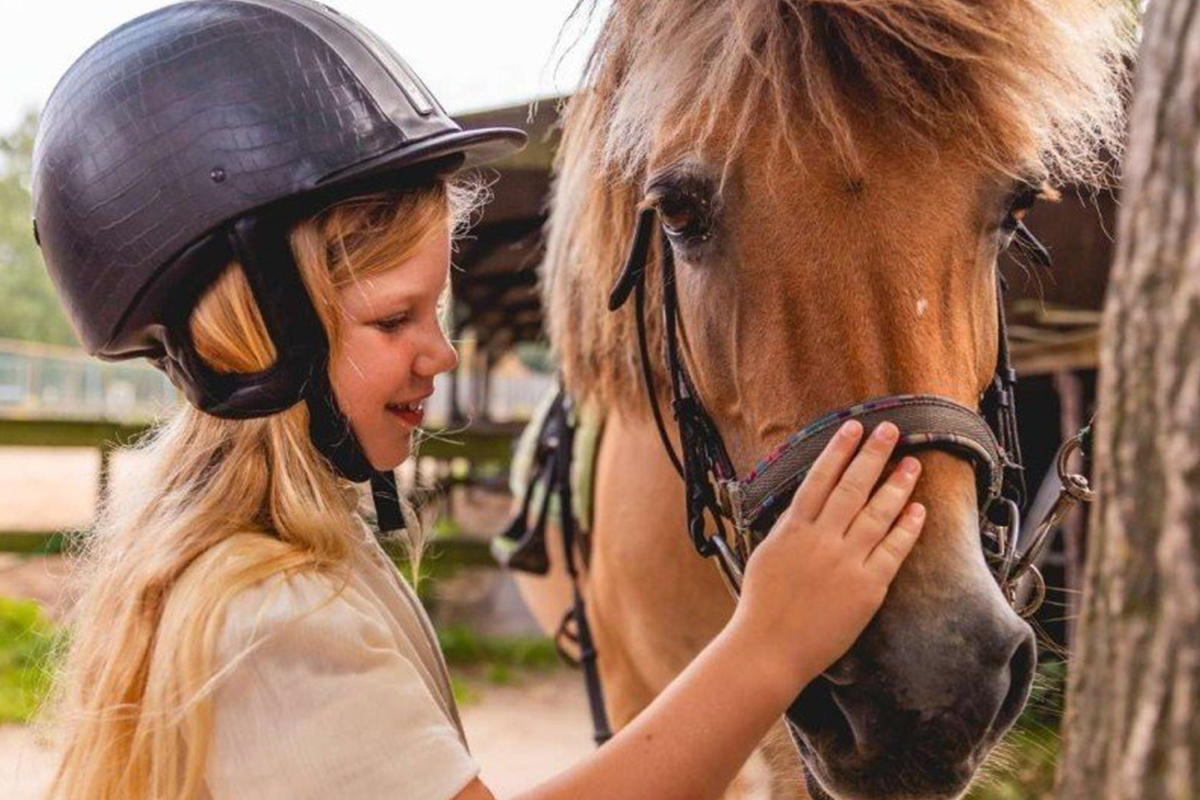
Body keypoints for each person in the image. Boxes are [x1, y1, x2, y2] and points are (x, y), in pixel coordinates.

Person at [29, 2, 926, 799]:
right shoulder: (272, 618)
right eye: (393, 320)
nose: (442, 353)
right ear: (254, 336)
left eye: (436, 312)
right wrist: (767, 645)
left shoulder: (291, 561)